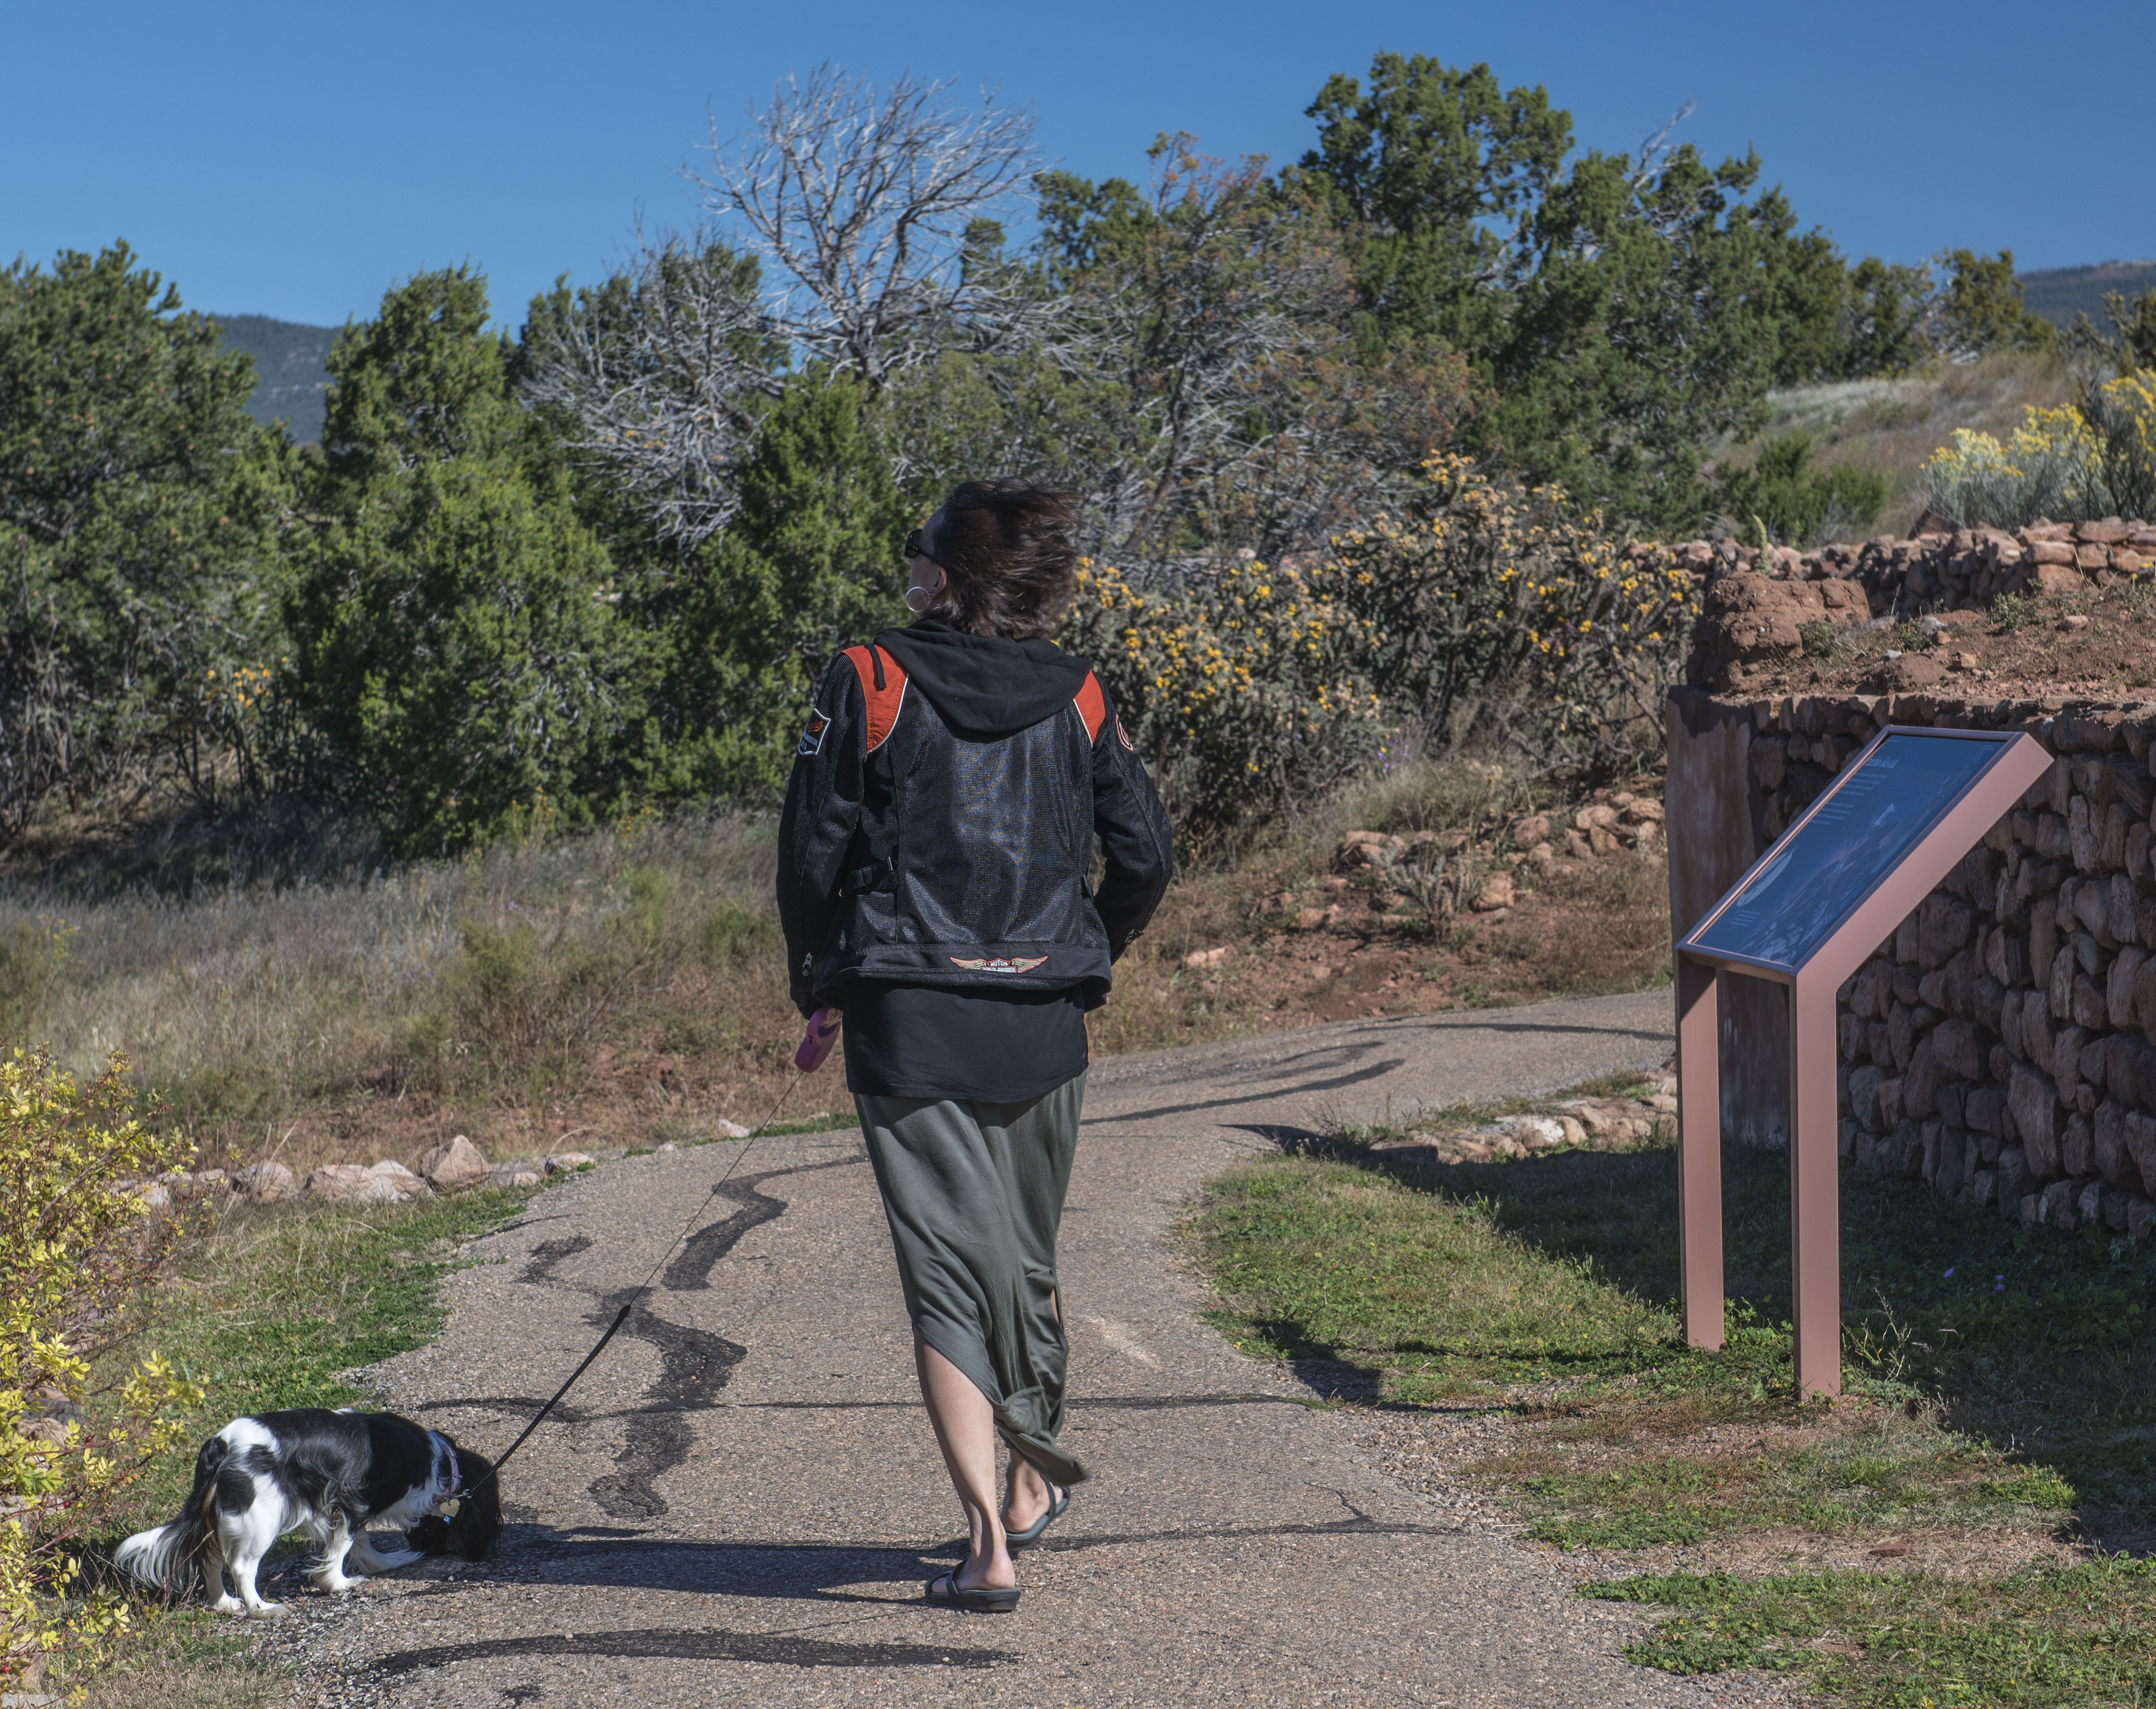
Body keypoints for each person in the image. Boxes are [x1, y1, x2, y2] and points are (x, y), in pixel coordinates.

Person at [776, 481, 1173, 1613]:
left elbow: (811, 853)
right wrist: (1089, 946)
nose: (907, 571)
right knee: (1023, 1260)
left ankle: (988, 1543)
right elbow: (1144, 850)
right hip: (1044, 1016)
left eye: (919, 556)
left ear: (947, 576)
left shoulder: (870, 676)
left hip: (909, 1013)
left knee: (949, 1278)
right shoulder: (1083, 690)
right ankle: (1032, 1478)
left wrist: (820, 984)